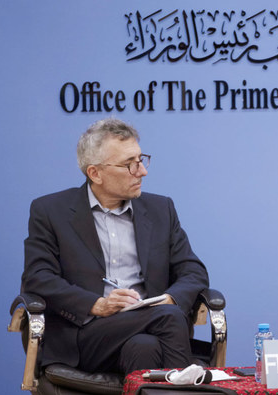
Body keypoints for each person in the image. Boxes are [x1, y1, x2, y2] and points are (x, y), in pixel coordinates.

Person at [21, 118, 209, 375]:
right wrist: (96, 304)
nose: (142, 171)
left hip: (151, 330)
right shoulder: (51, 211)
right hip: (87, 334)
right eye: (129, 165)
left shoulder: (160, 209)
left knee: (144, 347)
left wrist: (170, 298)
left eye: (141, 160)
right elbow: (38, 278)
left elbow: (193, 271)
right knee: (169, 316)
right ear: (95, 173)